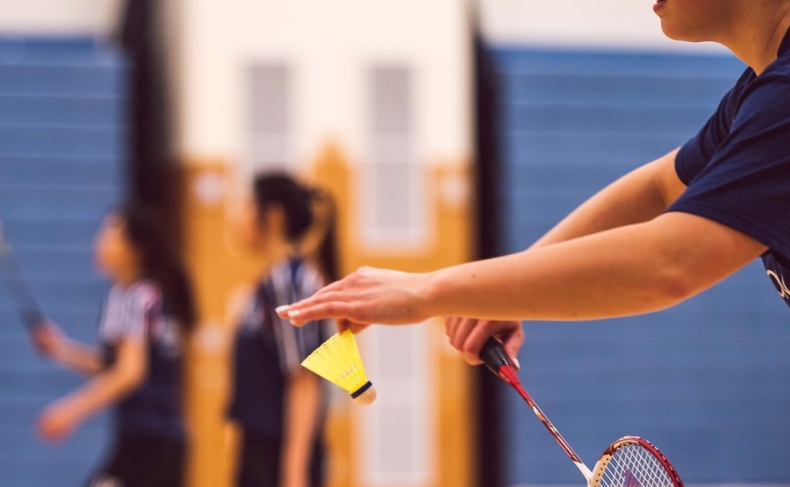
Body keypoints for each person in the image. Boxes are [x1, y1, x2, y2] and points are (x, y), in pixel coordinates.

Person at [278, 0, 790, 367]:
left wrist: (426, 290)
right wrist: (502, 295)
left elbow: (670, 261)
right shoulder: (759, 93)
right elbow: (660, 187)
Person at [32, 204, 197, 487]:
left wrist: (70, 410)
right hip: (168, 444)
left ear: (134, 247)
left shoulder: (137, 297)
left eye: (109, 234)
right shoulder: (145, 295)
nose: (99, 242)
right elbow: (115, 362)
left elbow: (130, 373)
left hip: (143, 449)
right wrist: (61, 349)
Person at [227, 172, 342, 487]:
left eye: (244, 207)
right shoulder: (270, 280)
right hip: (258, 446)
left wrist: (293, 475)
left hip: (283, 450)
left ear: (271, 217)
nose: (237, 219)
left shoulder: (292, 282)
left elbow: (304, 381)